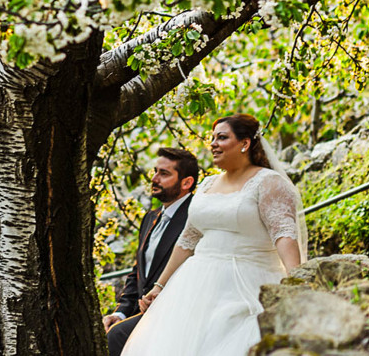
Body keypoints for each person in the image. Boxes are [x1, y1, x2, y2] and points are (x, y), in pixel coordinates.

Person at [120, 114, 307, 356]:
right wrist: (159, 286)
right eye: (212, 138)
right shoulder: (207, 184)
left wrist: (297, 282)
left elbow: (284, 234)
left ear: (245, 143)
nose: (213, 144)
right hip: (193, 284)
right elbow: (187, 240)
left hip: (247, 281)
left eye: (222, 137)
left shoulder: (269, 182)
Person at [103, 147, 200, 356]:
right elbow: (137, 272)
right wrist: (120, 312)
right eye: (155, 171)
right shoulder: (150, 217)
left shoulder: (197, 218)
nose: (154, 178)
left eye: (164, 174)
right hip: (142, 312)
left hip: (175, 312)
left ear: (186, 183)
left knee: (116, 337)